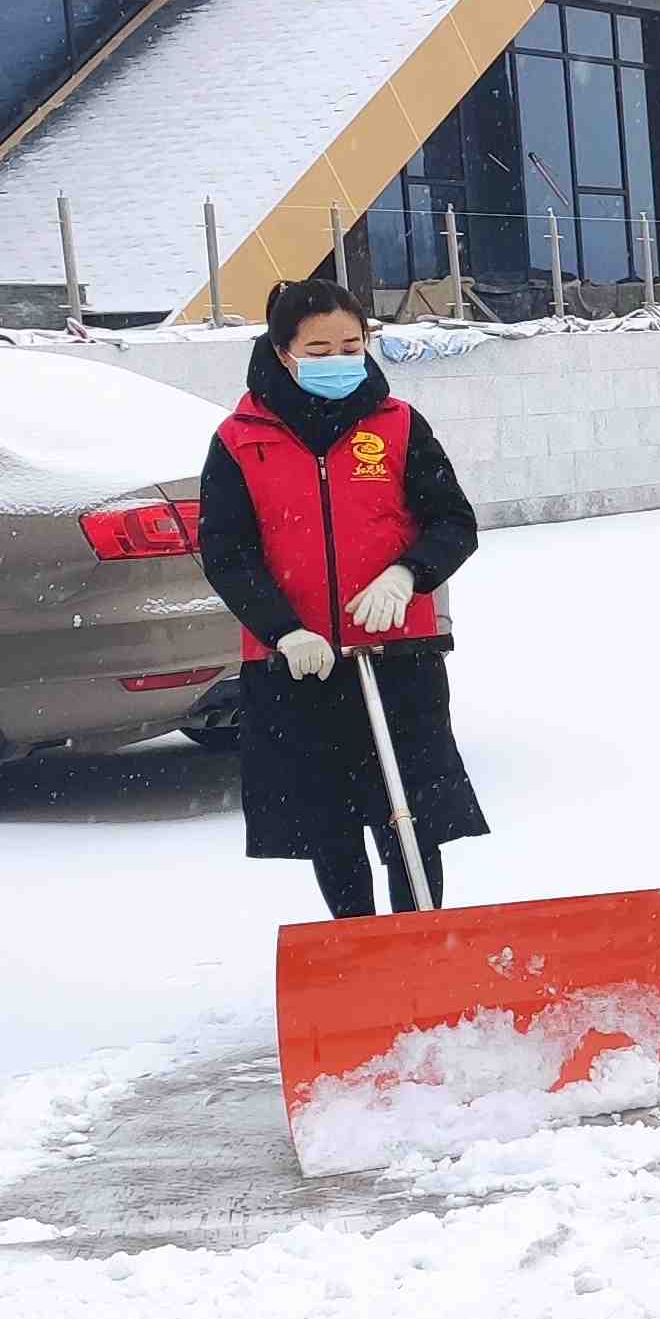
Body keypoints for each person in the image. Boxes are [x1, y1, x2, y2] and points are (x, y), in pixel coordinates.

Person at [196, 278, 487, 918]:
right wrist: (283, 630)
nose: (339, 360)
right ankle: (354, 947)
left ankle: (421, 944)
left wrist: (407, 575)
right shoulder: (241, 440)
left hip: (399, 657)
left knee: (409, 817)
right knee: (329, 822)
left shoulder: (398, 425)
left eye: (351, 346)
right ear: (283, 353)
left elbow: (453, 522)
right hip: (302, 666)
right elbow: (226, 552)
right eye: (319, 349)